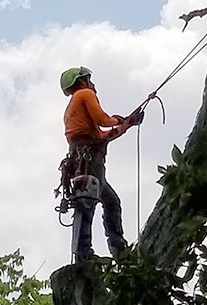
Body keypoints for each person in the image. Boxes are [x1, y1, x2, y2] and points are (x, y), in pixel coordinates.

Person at [60, 66, 144, 261]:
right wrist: (119, 119)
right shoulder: (85, 94)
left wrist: (128, 123)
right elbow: (103, 121)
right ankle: (87, 253)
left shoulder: (75, 106)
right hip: (89, 162)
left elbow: (102, 136)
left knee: (109, 201)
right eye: (89, 79)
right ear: (82, 81)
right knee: (88, 204)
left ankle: (117, 247)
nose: (93, 84)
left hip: (86, 161)